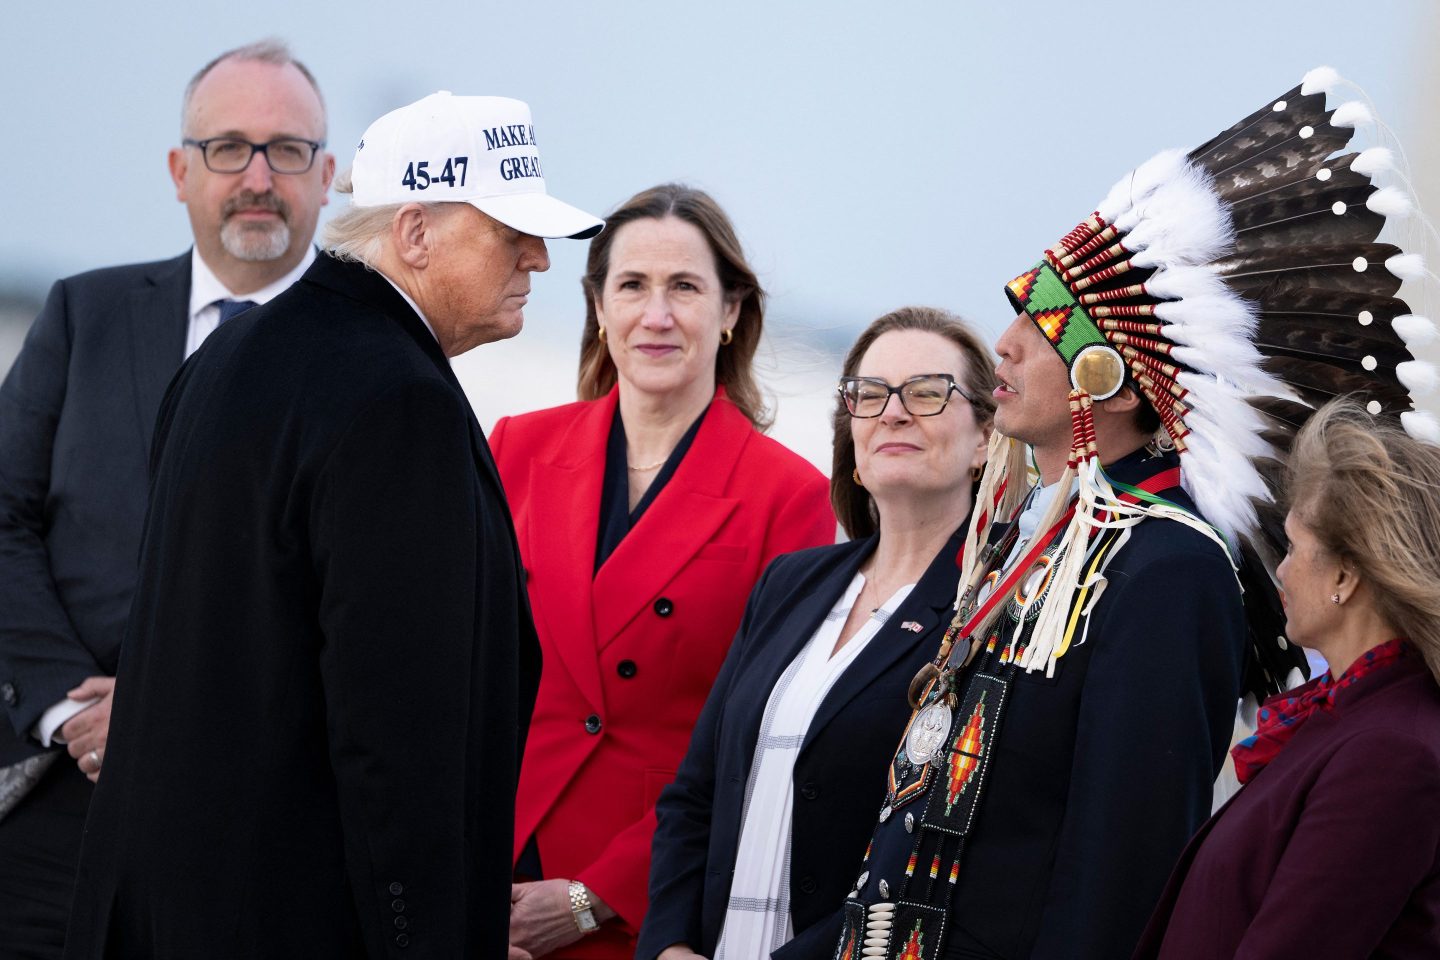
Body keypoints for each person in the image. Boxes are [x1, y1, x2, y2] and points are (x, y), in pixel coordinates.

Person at [63, 91, 603, 959]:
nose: (540, 259)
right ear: (415, 233)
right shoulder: (397, 400)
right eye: (512, 232)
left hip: (155, 915)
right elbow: (396, 734)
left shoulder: (225, 357)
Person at [0, 39, 333, 958]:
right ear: (180, 170)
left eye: (287, 149)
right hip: (54, 800)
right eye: (228, 147)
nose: (258, 176)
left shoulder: (370, 363)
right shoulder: (82, 316)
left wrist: (173, 714)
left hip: (254, 828)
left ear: (330, 175)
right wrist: (77, 714)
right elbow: (2, 521)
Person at [489, 183, 835, 959]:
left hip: (645, 903)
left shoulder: (790, 497)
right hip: (491, 869)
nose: (657, 314)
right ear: (599, 306)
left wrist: (593, 899)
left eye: (684, 287)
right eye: (633, 286)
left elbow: (756, 743)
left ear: (732, 311)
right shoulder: (516, 447)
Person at [638, 307, 997, 960]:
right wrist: (667, 945)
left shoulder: (994, 613)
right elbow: (695, 796)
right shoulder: (791, 584)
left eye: (926, 393)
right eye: (869, 394)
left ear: (983, 440)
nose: (893, 413)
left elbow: (947, 852)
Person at [1133, 400, 1440, 958]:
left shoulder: (1391, 752)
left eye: (1295, 548)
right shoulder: (1353, 719)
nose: (1279, 569)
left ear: (1344, 575)